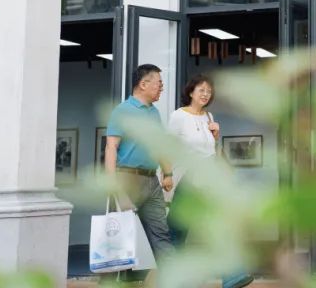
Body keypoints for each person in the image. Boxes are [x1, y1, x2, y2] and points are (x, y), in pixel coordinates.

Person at [167, 74, 255, 288]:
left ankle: (232, 275)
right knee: (177, 231)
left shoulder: (209, 116)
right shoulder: (179, 116)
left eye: (209, 91)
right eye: (201, 90)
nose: (206, 94)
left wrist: (216, 137)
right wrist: (167, 174)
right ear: (191, 92)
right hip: (189, 177)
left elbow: (212, 151)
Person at [105, 64, 174, 274]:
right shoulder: (122, 111)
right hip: (128, 179)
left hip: (152, 181)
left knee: (161, 234)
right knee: (120, 240)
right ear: (143, 84)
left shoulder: (154, 113)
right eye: (159, 83)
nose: (162, 87)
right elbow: (111, 148)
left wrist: (168, 173)